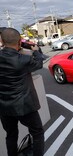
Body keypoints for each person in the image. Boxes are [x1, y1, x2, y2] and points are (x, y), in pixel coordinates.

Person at [0, 28, 45, 156]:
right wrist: (36, 51)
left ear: (2, 41)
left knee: (11, 134)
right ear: (20, 41)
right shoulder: (23, 60)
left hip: (4, 107)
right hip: (25, 106)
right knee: (37, 132)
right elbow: (39, 63)